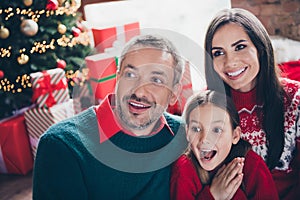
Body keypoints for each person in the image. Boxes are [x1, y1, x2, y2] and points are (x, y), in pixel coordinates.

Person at [32, 34, 188, 199]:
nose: (139, 91)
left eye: (156, 80)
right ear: (118, 77)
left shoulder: (185, 136)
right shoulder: (62, 146)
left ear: (174, 93)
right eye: (131, 75)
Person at [204, 8, 300, 199]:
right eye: (218, 52)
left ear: (260, 48)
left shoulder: (295, 98)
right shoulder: (204, 109)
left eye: (240, 47)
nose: (230, 62)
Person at [170, 90, 278, 199]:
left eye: (217, 130)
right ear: (187, 133)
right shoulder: (184, 171)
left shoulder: (252, 166)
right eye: (196, 129)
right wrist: (214, 196)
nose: (205, 139)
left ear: (235, 135)